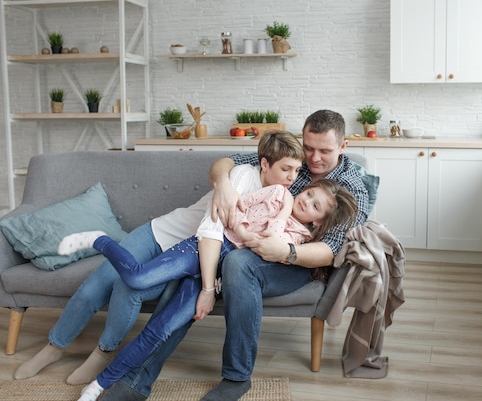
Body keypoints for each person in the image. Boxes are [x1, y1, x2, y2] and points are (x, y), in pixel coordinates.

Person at [97, 109, 370, 401]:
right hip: (243, 241)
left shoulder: (352, 188)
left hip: (296, 261)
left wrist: (288, 251)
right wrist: (223, 186)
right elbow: (226, 163)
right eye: (310, 147)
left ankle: (237, 377)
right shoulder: (293, 161)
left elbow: (330, 250)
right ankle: (137, 382)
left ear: (343, 147)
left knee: (238, 264)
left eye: (324, 151)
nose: (314, 158)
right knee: (194, 277)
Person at [13, 131, 304, 386]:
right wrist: (207, 289)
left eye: (296, 170)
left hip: (187, 257)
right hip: (159, 234)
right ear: (265, 164)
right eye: (286, 169)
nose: (292, 178)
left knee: (130, 288)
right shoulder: (242, 179)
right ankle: (54, 346)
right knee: (96, 284)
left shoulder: (280, 197)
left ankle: (102, 353)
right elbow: (211, 230)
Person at [70, 179, 357, 401]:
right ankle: (132, 381)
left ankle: (236, 377)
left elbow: (299, 249)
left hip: (270, 260)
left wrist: (280, 239)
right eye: (308, 194)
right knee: (143, 284)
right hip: (210, 251)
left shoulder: (306, 228)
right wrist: (265, 201)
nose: (307, 201)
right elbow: (234, 195)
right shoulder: (282, 186)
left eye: (316, 206)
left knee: (226, 272)